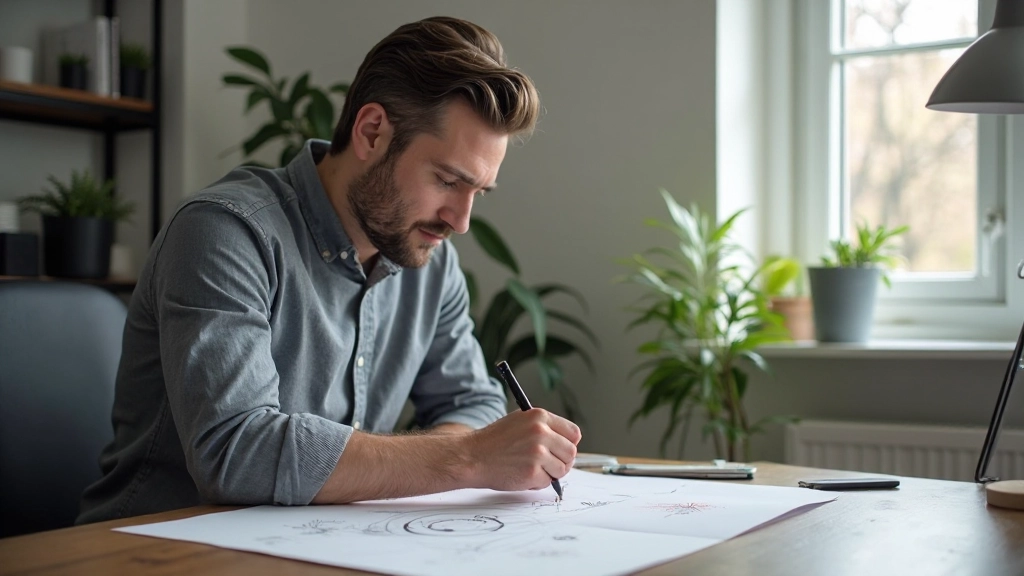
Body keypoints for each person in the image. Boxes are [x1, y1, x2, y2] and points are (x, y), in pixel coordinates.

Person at [77, 16, 581, 524]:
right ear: (371, 132)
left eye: (478, 192)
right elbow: (235, 453)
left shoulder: (430, 260)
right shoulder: (225, 233)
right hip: (153, 547)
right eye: (448, 181)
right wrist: (467, 458)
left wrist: (450, 455)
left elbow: (472, 403)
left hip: (312, 547)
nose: (461, 220)